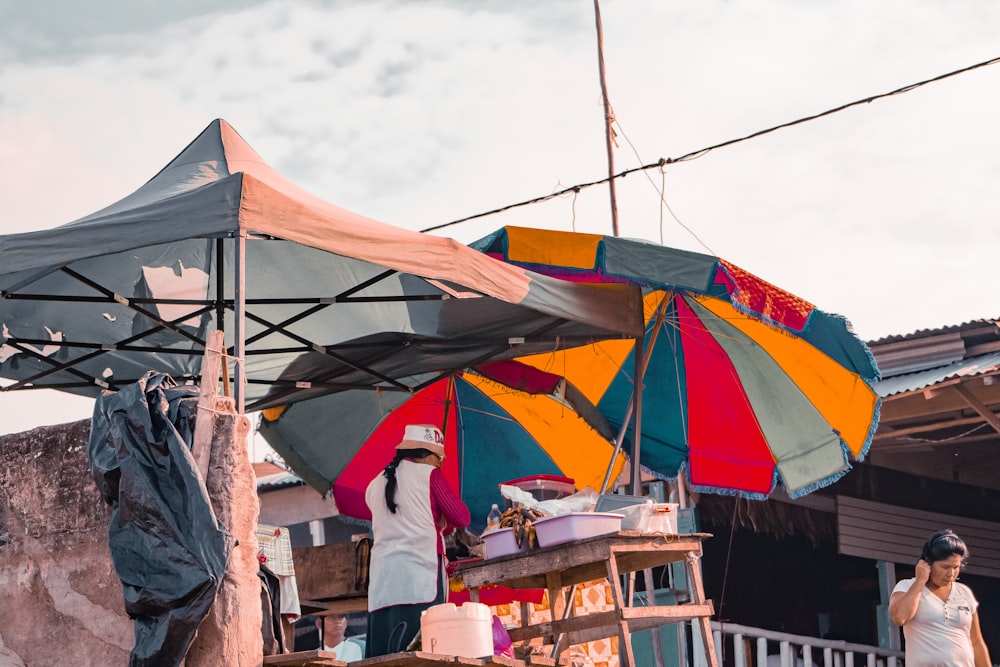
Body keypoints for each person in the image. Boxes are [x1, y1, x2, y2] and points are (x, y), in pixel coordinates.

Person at [364, 424, 471, 657]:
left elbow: (406, 516)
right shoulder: (430, 475)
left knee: (385, 656)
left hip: (384, 582)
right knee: (426, 652)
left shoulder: (374, 485)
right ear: (426, 455)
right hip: (421, 575)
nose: (440, 463)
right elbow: (462, 517)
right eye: (438, 457)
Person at [888, 529, 992, 667]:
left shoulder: (964, 593)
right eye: (945, 567)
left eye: (956, 567)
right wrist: (920, 581)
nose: (951, 573)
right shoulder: (906, 586)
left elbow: (976, 642)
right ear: (928, 564)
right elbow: (899, 618)